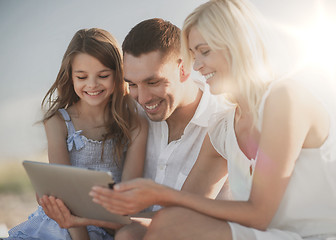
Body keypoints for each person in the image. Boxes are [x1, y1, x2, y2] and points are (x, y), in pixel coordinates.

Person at [89, 1, 336, 240]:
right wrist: (90, 219)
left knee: (169, 224)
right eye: (193, 54)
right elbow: (182, 213)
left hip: (309, 236)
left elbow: (259, 214)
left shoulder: (284, 97)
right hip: (262, 235)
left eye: (204, 52)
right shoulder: (223, 126)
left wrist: (163, 194)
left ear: (238, 45)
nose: (196, 66)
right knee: (131, 235)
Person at [42, 18, 230, 239]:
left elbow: (181, 218)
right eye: (132, 84)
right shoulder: (132, 116)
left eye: (153, 82)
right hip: (132, 227)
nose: (143, 98)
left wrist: (86, 219)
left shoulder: (220, 122)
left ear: (184, 69)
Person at [7, 28, 148, 240]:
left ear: (118, 74)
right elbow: (62, 196)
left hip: (107, 224)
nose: (92, 85)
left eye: (103, 75)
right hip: (62, 223)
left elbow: (127, 202)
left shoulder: (134, 125)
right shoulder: (58, 122)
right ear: (70, 76)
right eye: (81, 76)